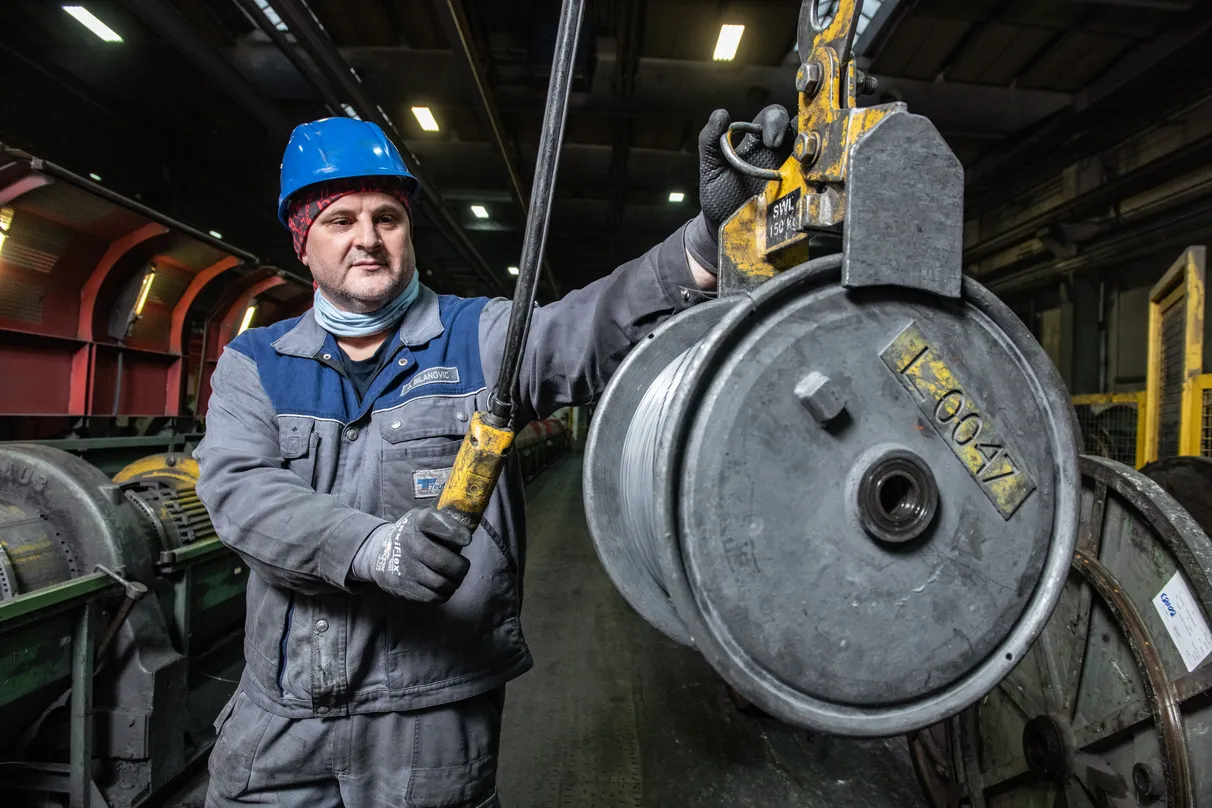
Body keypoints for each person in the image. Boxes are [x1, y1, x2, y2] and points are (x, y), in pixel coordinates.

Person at [194, 104, 792, 807]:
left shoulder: (480, 338)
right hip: (284, 717)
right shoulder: (255, 362)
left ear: (408, 229)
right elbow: (238, 492)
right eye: (340, 220)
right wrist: (374, 548)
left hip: (432, 722)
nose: (369, 239)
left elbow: (591, 326)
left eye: (387, 217)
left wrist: (711, 237)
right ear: (303, 242)